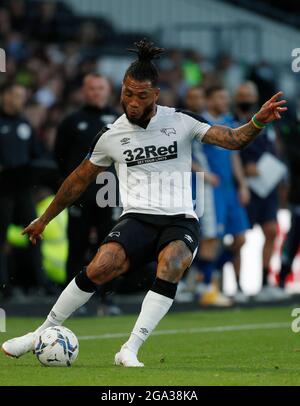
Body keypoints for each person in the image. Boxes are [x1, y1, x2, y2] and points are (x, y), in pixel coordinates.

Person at [1, 39, 287, 367]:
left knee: (173, 262)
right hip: (137, 217)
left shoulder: (180, 120)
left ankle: (130, 348)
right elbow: (78, 180)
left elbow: (233, 139)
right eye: (127, 93)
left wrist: (258, 122)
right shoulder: (111, 135)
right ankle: (40, 332)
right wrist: (45, 218)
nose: (132, 102)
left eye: (140, 96)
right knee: (100, 266)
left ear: (155, 95)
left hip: (180, 217)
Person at [54, 73, 118, 283]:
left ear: (108, 91)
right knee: (77, 244)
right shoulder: (71, 121)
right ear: (84, 92)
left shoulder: (120, 121)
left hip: (109, 192)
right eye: (92, 88)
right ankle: (70, 296)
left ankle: (105, 298)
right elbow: (59, 157)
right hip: (80, 193)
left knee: (110, 246)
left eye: (100, 88)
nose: (96, 92)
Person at [192, 86, 250, 305]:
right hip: (210, 188)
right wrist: (203, 174)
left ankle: (205, 274)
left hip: (229, 189)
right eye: (220, 96)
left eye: (226, 97)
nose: (225, 101)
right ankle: (206, 287)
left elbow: (234, 156)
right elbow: (185, 153)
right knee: (211, 237)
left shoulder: (230, 121)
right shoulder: (200, 123)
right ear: (209, 99)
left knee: (240, 238)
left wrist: (242, 184)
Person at [235, 82, 289, 301]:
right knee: (239, 238)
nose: (246, 97)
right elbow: (229, 148)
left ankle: (265, 283)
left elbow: (275, 150)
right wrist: (245, 168)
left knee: (271, 232)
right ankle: (237, 286)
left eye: (249, 94)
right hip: (245, 187)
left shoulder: (268, 123)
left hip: (267, 187)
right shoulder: (231, 123)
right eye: (242, 94)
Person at [0, 82, 44, 298]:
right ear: (5, 97)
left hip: (23, 190)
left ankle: (37, 284)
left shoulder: (25, 124)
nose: (20, 100)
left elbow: (37, 155)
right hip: (2, 191)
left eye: (23, 96)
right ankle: (3, 287)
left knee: (34, 233)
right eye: (16, 95)